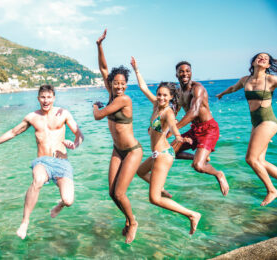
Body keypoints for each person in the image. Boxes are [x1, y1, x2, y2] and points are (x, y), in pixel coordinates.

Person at [0, 84, 84, 239]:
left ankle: (60, 204)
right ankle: (25, 221)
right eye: (42, 97)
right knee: (38, 180)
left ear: (53, 98)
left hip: (62, 163)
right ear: (38, 98)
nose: (46, 101)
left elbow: (79, 134)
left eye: (49, 97)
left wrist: (75, 144)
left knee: (68, 200)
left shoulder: (63, 114)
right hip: (43, 161)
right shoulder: (32, 117)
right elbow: (13, 132)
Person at [131, 57, 201, 235]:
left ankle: (192, 214)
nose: (161, 97)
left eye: (165, 95)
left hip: (163, 155)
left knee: (154, 199)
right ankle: (162, 188)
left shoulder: (168, 112)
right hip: (157, 154)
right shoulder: (156, 105)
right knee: (139, 171)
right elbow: (143, 88)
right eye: (159, 94)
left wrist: (180, 138)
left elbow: (174, 128)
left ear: (171, 97)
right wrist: (137, 70)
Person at [93, 29, 143, 244]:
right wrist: (99, 45)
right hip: (117, 150)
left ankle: (133, 222)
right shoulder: (112, 92)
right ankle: (128, 218)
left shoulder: (124, 100)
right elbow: (104, 68)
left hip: (132, 151)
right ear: (111, 83)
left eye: (123, 83)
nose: (120, 86)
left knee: (120, 193)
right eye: (116, 83)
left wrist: (96, 106)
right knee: (112, 193)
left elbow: (98, 116)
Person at [216, 52, 277, 206]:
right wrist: (222, 93)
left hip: (267, 121)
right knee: (260, 161)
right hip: (255, 122)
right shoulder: (245, 79)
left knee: (250, 159)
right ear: (254, 61)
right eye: (259, 56)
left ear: (269, 65)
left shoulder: (271, 79)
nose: (262, 58)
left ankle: (272, 190)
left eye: (266, 58)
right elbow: (233, 88)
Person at [171, 61, 229, 196]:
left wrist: (173, 130)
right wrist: (162, 127)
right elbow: (173, 111)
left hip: (209, 129)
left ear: (191, 73)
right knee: (169, 151)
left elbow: (194, 112)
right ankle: (200, 157)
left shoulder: (197, 88)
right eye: (181, 71)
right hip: (195, 129)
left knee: (198, 166)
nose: (184, 74)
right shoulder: (178, 93)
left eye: (187, 71)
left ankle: (218, 174)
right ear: (176, 74)